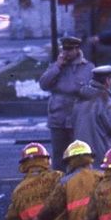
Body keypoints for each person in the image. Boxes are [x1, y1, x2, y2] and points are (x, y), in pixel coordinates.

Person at [39, 35, 94, 170]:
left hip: (78, 117)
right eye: (65, 50)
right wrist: (57, 66)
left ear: (77, 50)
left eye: (70, 50)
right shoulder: (56, 66)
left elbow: (93, 92)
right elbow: (43, 84)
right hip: (58, 117)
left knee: (79, 153)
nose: (66, 53)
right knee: (59, 155)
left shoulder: (88, 67)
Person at [72, 65, 111, 162]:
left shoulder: (80, 98)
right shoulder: (107, 101)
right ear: (108, 80)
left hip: (80, 149)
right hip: (100, 149)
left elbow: (73, 121)